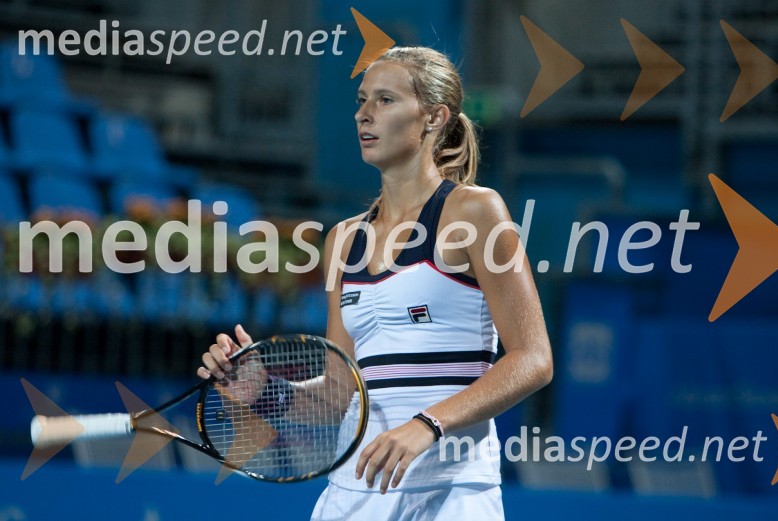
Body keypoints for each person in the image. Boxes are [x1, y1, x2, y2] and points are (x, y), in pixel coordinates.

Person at [198, 46, 553, 520]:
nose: (363, 114)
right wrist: (264, 390)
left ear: (433, 117)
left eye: (385, 100)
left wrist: (428, 424)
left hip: (452, 490)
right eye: (362, 99)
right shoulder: (343, 242)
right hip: (355, 492)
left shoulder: (475, 212)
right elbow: (338, 397)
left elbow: (533, 359)